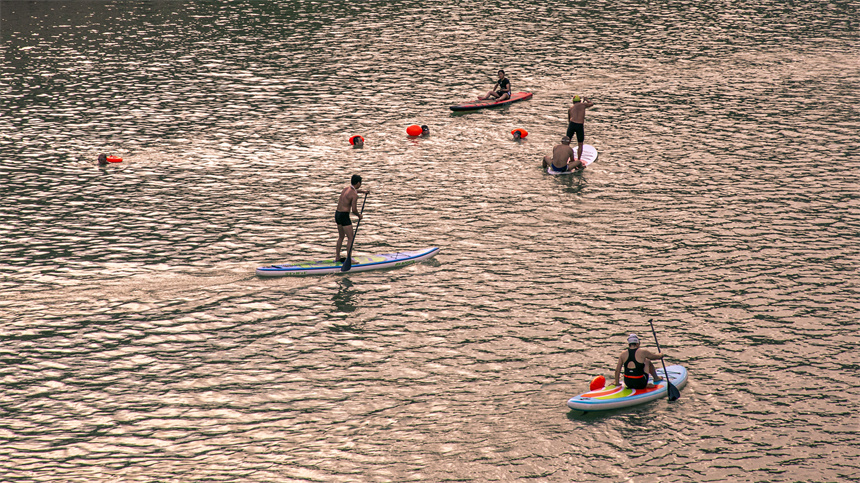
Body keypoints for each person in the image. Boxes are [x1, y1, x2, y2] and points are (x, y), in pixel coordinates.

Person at [334, 175, 370, 263]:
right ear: (358, 183)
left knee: (341, 237)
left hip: (337, 214)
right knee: (350, 237)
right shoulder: (354, 195)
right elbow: (353, 210)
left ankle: (337, 257)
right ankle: (349, 259)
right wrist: (359, 215)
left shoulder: (346, 189)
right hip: (344, 216)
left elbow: (354, 191)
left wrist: (363, 191)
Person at [567, 95, 594, 162]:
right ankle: (578, 160)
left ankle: (566, 157)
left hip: (572, 124)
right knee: (580, 144)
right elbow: (591, 104)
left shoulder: (570, 109)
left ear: (573, 102)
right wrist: (587, 99)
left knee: (567, 142)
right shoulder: (583, 105)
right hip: (579, 125)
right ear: (579, 101)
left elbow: (569, 120)